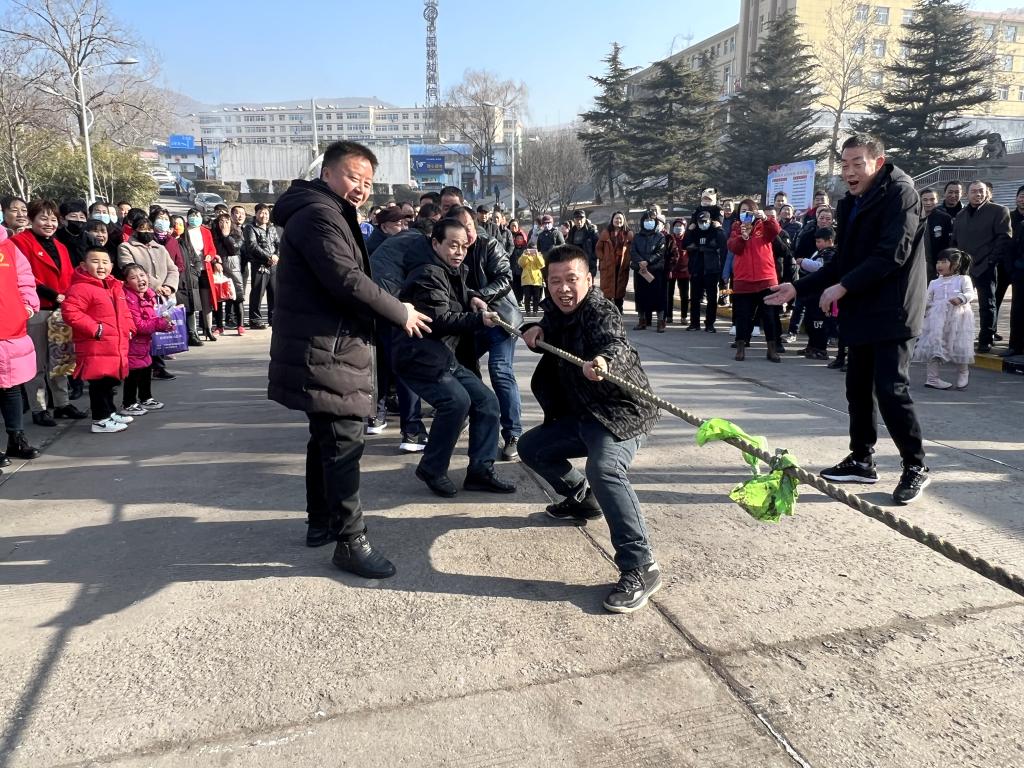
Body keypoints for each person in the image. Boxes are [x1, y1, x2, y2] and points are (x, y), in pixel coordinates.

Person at [269, 140, 431, 579]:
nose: (361, 188)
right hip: (328, 346)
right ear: (327, 173)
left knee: (325, 436)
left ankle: (320, 522)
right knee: (343, 443)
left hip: (327, 343)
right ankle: (349, 540)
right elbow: (346, 278)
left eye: (368, 182)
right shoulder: (319, 214)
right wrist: (400, 311)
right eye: (353, 177)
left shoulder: (326, 210)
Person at [767, 133, 930, 505]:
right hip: (862, 307)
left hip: (894, 309)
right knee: (857, 387)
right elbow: (843, 261)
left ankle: (915, 465)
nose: (850, 171)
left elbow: (892, 254)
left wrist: (842, 288)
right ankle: (861, 459)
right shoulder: (851, 201)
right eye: (844, 164)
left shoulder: (901, 194)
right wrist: (798, 288)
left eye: (858, 163)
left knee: (891, 389)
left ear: (878, 162)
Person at [519, 244, 662, 613]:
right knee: (531, 447)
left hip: (620, 413)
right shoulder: (555, 310)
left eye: (572, 279)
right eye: (555, 281)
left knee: (604, 469)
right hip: (583, 414)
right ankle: (584, 499)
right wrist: (533, 328)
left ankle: (641, 566)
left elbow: (616, 343)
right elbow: (549, 325)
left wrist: (603, 360)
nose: (563, 288)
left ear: (589, 279)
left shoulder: (600, 310)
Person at [394, 218, 515, 498]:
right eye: (452, 245)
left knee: (487, 402)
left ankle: (481, 470)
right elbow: (439, 319)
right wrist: (479, 319)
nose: (459, 252)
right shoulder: (427, 272)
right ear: (436, 243)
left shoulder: (450, 269)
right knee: (456, 402)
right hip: (419, 356)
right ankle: (432, 468)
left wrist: (471, 296)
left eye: (463, 246)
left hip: (443, 355)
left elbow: (450, 297)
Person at [448, 206, 524, 461]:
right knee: (462, 370)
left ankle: (513, 434)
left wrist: (479, 295)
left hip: (500, 319)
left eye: (469, 227)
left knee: (500, 371)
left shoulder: (489, 244)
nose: (466, 234)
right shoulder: (449, 251)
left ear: (475, 225)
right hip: (471, 323)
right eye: (460, 228)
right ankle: (470, 416)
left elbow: (505, 278)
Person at [12, 200, 87, 426]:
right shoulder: (19, 242)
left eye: (53, 219)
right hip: (36, 310)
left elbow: (69, 276)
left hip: (59, 311)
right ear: (31, 219)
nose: (49, 223)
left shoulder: (60, 246)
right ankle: (39, 408)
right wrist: (53, 294)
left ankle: (62, 403)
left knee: (60, 359)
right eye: (43, 218)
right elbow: (23, 277)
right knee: (37, 363)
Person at [60, 248, 135, 434]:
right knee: (99, 384)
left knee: (109, 382)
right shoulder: (80, 288)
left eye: (105, 262)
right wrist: (96, 329)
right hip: (95, 345)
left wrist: (130, 328)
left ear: (111, 265)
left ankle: (109, 412)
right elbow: (71, 312)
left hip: (114, 344)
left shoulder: (114, 287)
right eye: (95, 261)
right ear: (84, 266)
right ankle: (100, 420)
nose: (101, 266)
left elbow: (125, 312)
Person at [951, 179, 1011, 353]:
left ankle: (986, 338)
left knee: (987, 304)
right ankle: (957, 337)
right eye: (974, 191)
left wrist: (991, 260)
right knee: (959, 303)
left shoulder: (999, 210)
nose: (977, 194)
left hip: (986, 265)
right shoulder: (961, 215)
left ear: (987, 193)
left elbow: (1004, 237)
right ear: (967, 194)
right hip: (963, 268)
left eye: (981, 191)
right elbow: (954, 240)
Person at [0, 225, 42, 471]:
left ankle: (16, 438)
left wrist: (26, 307)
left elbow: (25, 279)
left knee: (11, 387)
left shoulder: (8, 246)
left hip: (10, 327)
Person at [727, 199, 783, 361]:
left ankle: (772, 349)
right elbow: (733, 247)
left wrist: (765, 218)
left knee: (769, 316)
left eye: (749, 210)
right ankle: (740, 347)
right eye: (743, 210)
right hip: (743, 280)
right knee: (742, 316)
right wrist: (742, 237)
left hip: (766, 279)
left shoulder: (763, 226)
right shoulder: (736, 228)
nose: (746, 213)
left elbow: (775, 230)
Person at [912, 248, 975, 391]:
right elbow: (927, 299)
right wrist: (923, 309)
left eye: (944, 262)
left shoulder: (963, 279)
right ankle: (932, 378)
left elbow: (970, 293)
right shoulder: (934, 282)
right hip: (936, 320)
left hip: (958, 319)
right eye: (938, 262)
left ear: (956, 264)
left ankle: (963, 373)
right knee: (934, 346)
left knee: (960, 346)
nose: (939, 265)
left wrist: (961, 298)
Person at [120, 263, 172, 414]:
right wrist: (161, 323)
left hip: (144, 342)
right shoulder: (129, 299)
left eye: (142, 275)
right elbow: (139, 326)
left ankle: (146, 398)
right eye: (134, 277)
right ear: (126, 282)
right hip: (132, 343)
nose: (140, 279)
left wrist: (166, 323)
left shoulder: (149, 295)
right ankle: (128, 404)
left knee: (146, 369)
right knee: (133, 373)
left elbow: (153, 318)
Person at [795, 227, 836, 360]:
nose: (817, 244)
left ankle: (820, 349)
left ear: (829, 241)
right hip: (813, 294)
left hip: (822, 294)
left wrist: (803, 262)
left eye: (820, 241)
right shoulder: (819, 252)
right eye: (816, 242)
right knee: (810, 322)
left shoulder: (830, 254)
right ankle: (812, 345)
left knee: (819, 323)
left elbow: (820, 268)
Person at [179, 208, 219, 342]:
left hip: (205, 269)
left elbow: (212, 249)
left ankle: (208, 329)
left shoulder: (206, 231)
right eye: (192, 216)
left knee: (206, 301)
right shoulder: (184, 231)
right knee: (193, 301)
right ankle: (193, 331)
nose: (194, 218)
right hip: (190, 270)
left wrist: (210, 256)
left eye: (197, 216)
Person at [683, 210, 726, 332]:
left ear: (710, 221)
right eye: (700, 222)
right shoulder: (694, 232)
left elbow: (723, 243)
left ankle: (710, 324)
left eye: (705, 221)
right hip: (696, 269)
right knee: (695, 298)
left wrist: (719, 228)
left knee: (712, 299)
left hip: (711, 269)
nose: (703, 224)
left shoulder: (715, 231)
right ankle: (694, 323)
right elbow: (684, 245)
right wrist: (689, 230)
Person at [630, 210, 667, 332]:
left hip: (655, 271)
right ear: (642, 222)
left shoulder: (660, 236)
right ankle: (642, 321)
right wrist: (640, 262)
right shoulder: (637, 237)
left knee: (658, 297)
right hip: (640, 270)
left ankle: (660, 322)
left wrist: (648, 261)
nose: (649, 222)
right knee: (641, 296)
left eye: (651, 220)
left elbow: (660, 253)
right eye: (646, 220)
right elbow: (633, 251)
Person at [245, 203, 280, 329]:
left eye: (266, 213)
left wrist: (276, 256)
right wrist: (268, 257)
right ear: (256, 214)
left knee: (274, 292)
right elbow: (252, 246)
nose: (264, 215)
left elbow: (278, 244)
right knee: (257, 293)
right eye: (261, 212)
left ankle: (273, 318)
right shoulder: (250, 228)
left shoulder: (272, 228)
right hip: (259, 265)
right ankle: (255, 320)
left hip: (274, 265)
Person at [212, 212, 245, 335]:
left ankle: (240, 325)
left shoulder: (237, 233)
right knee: (218, 297)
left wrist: (226, 236)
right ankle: (219, 326)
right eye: (221, 221)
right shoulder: (213, 234)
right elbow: (210, 250)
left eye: (227, 221)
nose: (224, 224)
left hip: (233, 266)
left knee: (238, 296)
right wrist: (215, 261)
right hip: (218, 267)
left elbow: (234, 249)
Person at [596, 212, 632, 312]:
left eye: (620, 219)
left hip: (621, 265)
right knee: (607, 288)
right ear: (612, 220)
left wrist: (628, 259)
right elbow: (598, 248)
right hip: (608, 266)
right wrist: (603, 259)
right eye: (616, 218)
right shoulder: (606, 233)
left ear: (624, 221)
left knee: (620, 288)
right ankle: (608, 310)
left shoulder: (628, 234)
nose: (618, 221)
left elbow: (632, 249)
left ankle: (619, 308)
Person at [664, 217, 689, 324]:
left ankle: (684, 316)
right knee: (669, 294)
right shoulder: (669, 238)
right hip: (671, 270)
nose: (678, 228)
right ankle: (669, 316)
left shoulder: (687, 238)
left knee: (684, 295)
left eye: (680, 226)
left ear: (684, 227)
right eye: (676, 226)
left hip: (684, 271)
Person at [56, 199, 89, 267]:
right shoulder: (56, 238)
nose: (78, 220)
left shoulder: (90, 239)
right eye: (73, 216)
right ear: (62, 220)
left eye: (82, 217)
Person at [567, 209, 599, 276]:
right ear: (574, 220)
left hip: (589, 263)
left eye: (581, 219)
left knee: (589, 280)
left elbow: (597, 246)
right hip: (576, 262)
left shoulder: (591, 231)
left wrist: (593, 258)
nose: (579, 221)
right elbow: (569, 246)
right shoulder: (572, 232)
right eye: (577, 219)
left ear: (585, 219)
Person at [518, 246, 545, 315]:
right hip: (527, 279)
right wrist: (525, 255)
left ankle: (535, 311)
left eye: (534, 249)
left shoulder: (539, 255)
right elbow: (521, 264)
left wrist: (537, 255)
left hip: (536, 279)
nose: (532, 251)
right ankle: (527, 311)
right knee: (527, 296)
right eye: (530, 249)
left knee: (536, 297)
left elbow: (541, 265)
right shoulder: (524, 255)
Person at [508, 218, 528, 305]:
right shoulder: (512, 246)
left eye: (521, 239)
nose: (519, 240)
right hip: (513, 269)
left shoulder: (525, 248)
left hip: (522, 270)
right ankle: (515, 299)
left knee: (521, 285)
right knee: (514, 285)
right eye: (517, 239)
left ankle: (520, 299)